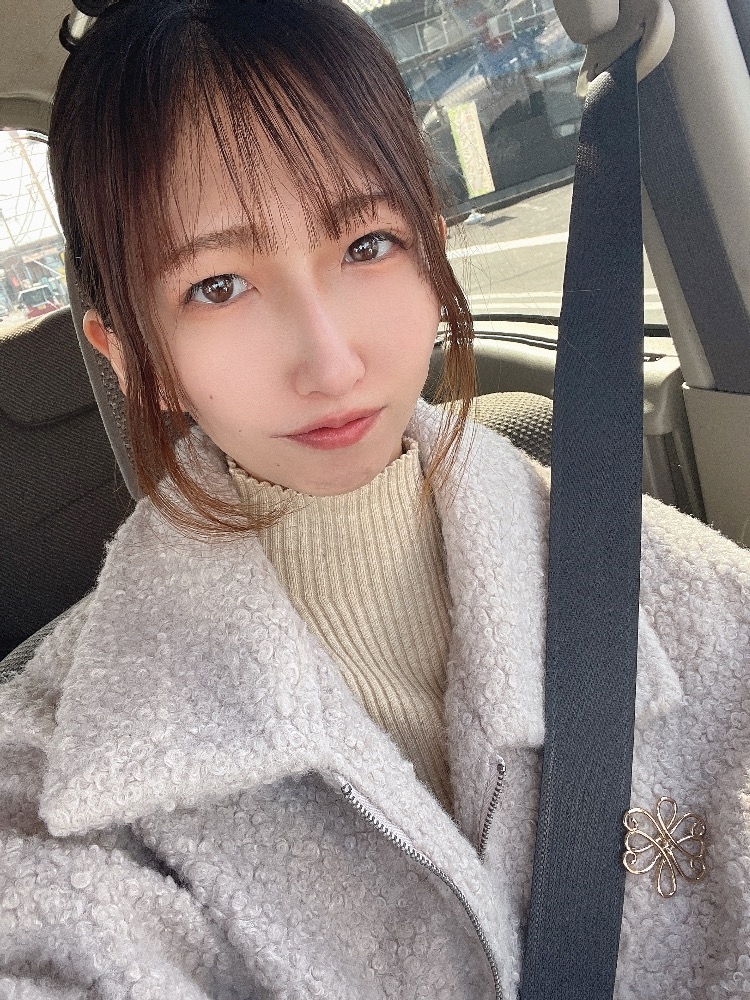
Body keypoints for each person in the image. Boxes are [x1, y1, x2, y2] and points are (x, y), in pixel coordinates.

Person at [1, 2, 749, 997]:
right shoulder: (56, 777)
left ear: (432, 251)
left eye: (365, 245)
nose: (330, 361)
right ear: (136, 358)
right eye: (218, 286)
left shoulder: (685, 590)